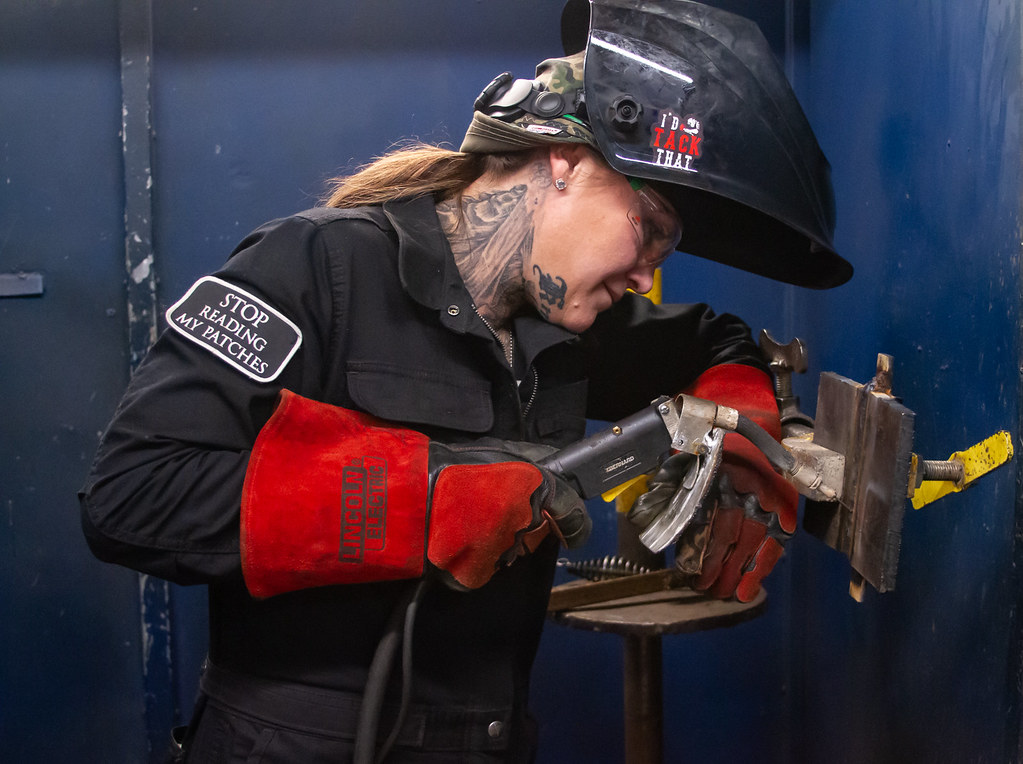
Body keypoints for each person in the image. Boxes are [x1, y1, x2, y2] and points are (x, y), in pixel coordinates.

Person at [79, 1, 851, 761]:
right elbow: (134, 494)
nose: (649, 272)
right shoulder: (318, 269)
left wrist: (746, 421)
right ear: (565, 162)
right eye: (648, 228)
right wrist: (423, 504)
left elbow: (716, 341)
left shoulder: (564, 322)